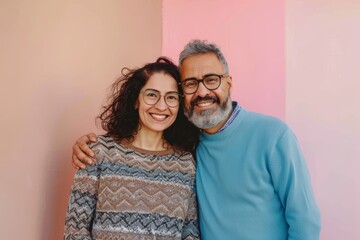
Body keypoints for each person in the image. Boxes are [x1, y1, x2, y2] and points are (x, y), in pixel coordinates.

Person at [72, 40, 321, 240]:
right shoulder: (191, 145)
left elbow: (305, 221)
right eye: (191, 83)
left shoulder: (273, 135)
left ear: (228, 83)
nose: (202, 92)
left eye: (211, 80)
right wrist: (88, 145)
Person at [64, 57, 200, 240]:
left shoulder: (185, 162)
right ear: (136, 100)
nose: (161, 106)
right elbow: (75, 230)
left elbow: (189, 232)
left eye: (171, 97)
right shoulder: (99, 151)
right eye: (152, 94)